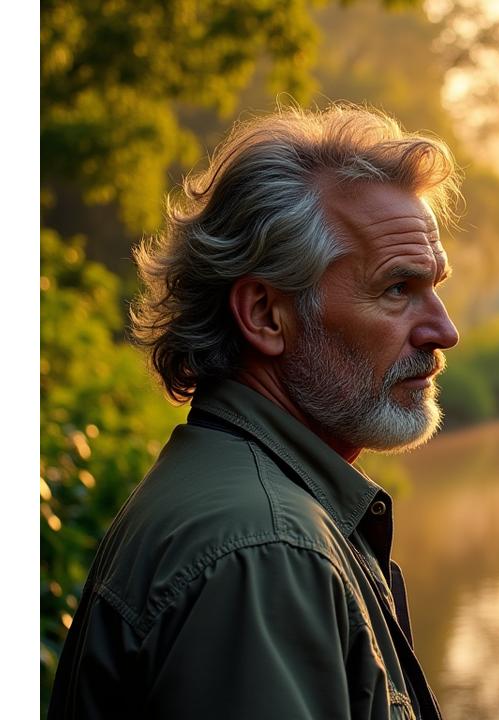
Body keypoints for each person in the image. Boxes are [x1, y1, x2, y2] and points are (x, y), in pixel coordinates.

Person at [48, 105, 461, 720]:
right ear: (266, 314)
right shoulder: (268, 553)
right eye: (397, 289)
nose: (443, 330)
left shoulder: (247, 505)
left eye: (436, 286)